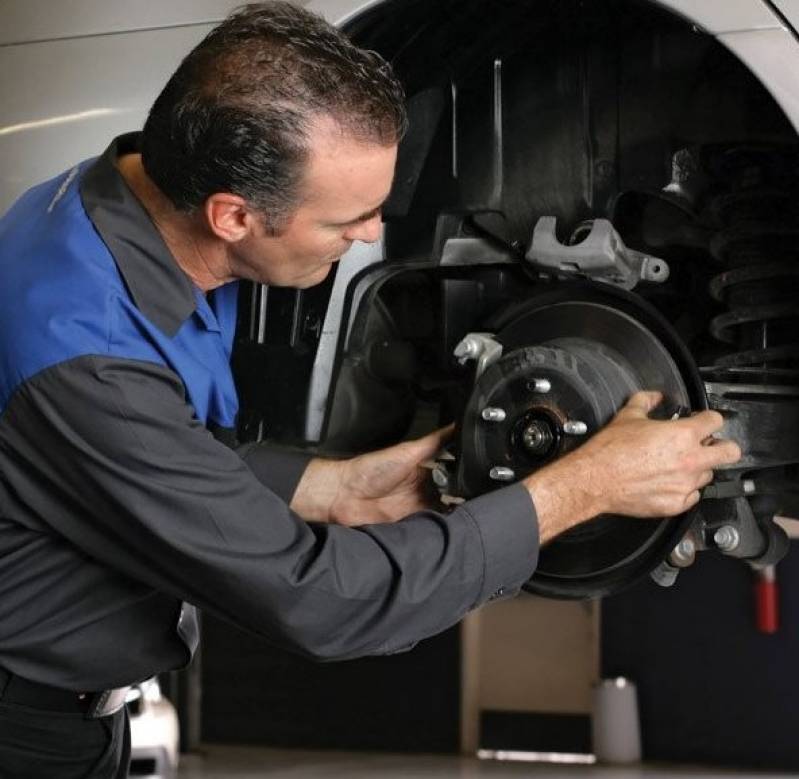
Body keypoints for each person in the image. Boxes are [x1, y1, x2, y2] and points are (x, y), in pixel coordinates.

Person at [0, 3, 741, 777]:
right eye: (347, 218)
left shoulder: (108, 206)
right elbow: (319, 599)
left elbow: (144, 453)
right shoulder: (87, 350)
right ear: (234, 215)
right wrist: (581, 489)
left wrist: (328, 488)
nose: (371, 234)